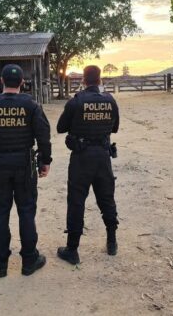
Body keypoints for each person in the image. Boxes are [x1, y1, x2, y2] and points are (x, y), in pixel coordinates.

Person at [0, 64, 52, 278]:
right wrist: (46, 161)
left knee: (0, 213)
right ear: (22, 83)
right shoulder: (31, 106)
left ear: (1, 81)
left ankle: (0, 263)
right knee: (26, 211)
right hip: (25, 166)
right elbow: (44, 136)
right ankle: (29, 260)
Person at [56, 65, 120, 265]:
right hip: (102, 156)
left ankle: (72, 250)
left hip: (81, 158)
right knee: (106, 199)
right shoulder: (110, 100)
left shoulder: (76, 101)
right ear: (100, 79)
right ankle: (112, 243)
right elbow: (115, 127)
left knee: (76, 202)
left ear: (84, 80)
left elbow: (60, 127)